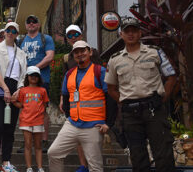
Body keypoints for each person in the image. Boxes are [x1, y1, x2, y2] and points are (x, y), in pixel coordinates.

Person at [105, 17, 176, 171]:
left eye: (134, 31)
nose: (131, 34)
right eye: (127, 31)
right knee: (138, 157)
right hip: (130, 114)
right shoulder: (114, 60)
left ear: (140, 33)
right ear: (121, 34)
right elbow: (111, 89)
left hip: (154, 110)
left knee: (163, 154)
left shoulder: (155, 52)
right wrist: (124, 101)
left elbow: (171, 77)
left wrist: (164, 98)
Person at [48, 41, 116, 172]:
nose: (80, 54)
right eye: (76, 52)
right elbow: (66, 98)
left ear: (89, 52)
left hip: (93, 126)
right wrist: (69, 116)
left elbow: (111, 98)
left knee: (95, 167)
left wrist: (108, 123)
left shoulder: (99, 71)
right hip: (72, 124)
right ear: (73, 55)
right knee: (54, 153)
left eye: (83, 51)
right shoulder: (69, 74)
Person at [59, 25, 103, 172]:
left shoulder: (93, 52)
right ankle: (83, 165)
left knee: (91, 137)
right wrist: (62, 98)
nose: (73, 37)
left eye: (75, 34)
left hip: (91, 98)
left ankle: (92, 165)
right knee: (77, 134)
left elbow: (99, 73)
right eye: (69, 35)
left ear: (81, 34)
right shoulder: (67, 57)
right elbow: (65, 79)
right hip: (75, 101)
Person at [0, 22, 27, 172]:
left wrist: (20, 89)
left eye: (14, 31)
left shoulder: (22, 53)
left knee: (9, 128)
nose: (10, 33)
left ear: (17, 34)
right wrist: (5, 89)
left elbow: (23, 75)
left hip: (15, 88)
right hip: (0, 88)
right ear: (4, 32)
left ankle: (6, 161)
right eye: (8, 30)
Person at [19, 15, 54, 150]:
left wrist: (34, 69)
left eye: (34, 21)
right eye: (29, 22)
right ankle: (27, 140)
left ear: (39, 25)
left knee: (42, 109)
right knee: (25, 108)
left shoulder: (46, 39)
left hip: (42, 78)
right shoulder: (21, 40)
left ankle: (44, 140)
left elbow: (50, 56)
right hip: (25, 80)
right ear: (26, 25)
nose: (31, 24)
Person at [11, 66, 48, 172]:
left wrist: (39, 112)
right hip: (25, 120)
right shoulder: (22, 90)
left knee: (38, 145)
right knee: (27, 144)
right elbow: (21, 105)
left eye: (36, 75)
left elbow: (45, 104)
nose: (34, 77)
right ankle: (29, 167)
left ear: (39, 77)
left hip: (38, 121)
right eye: (31, 75)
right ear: (27, 77)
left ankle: (40, 167)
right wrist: (14, 102)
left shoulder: (43, 90)